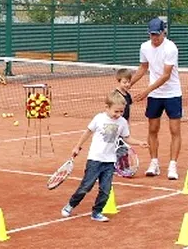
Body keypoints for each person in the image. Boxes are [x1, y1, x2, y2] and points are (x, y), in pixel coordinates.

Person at [61, 91, 147, 222]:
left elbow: (127, 138)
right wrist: (77, 146)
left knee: (105, 190)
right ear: (107, 107)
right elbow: (87, 132)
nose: (118, 114)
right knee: (86, 186)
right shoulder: (99, 118)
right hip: (95, 159)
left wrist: (139, 142)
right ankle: (70, 205)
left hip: (109, 162)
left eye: (121, 112)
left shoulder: (122, 122)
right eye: (116, 111)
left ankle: (97, 212)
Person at [131, 17, 183, 179]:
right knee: (152, 129)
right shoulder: (144, 47)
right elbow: (143, 68)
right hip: (155, 96)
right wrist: (129, 84)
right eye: (151, 35)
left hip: (172, 93)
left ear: (163, 32)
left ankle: (173, 166)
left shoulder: (171, 48)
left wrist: (146, 91)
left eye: (157, 35)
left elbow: (165, 76)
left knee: (174, 130)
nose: (154, 38)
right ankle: (154, 163)